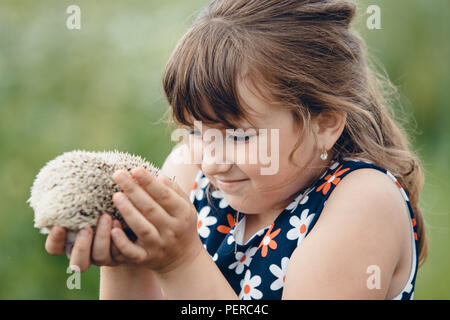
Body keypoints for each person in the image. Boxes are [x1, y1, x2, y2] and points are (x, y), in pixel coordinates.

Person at [44, 0, 427, 300]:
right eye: (195, 130)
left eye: (240, 136)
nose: (212, 161)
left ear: (324, 123)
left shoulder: (362, 202)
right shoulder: (188, 172)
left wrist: (181, 263)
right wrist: (127, 259)